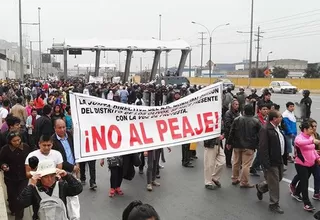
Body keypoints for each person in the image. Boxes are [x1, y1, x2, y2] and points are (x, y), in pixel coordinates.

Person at [18, 159, 83, 218]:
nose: (50, 179)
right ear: (40, 177)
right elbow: (21, 203)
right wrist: (31, 185)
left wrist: (67, 176)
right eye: (46, 176)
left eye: (52, 175)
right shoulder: (34, 189)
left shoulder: (62, 186)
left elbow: (78, 189)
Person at [256, 110, 286, 214]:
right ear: (274, 119)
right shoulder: (265, 129)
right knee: (274, 183)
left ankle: (261, 187)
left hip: (279, 159)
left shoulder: (278, 128)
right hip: (271, 161)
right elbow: (263, 147)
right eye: (280, 117)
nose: (281, 118)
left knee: (278, 178)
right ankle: (274, 204)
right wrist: (266, 163)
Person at [226, 104, 260, 188]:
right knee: (246, 165)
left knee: (236, 162)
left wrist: (229, 142)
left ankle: (234, 178)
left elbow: (232, 132)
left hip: (237, 144)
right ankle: (244, 182)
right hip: (249, 146)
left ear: (243, 111)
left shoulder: (237, 119)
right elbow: (260, 134)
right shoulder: (256, 121)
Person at [0, 131, 31, 219]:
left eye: (18, 140)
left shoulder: (26, 147)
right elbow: (1, 161)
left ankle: (19, 216)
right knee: (12, 196)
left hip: (23, 177)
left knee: (21, 197)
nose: (17, 142)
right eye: (14, 141)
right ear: (10, 141)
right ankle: (13, 208)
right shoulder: (5, 149)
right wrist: (3, 166)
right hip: (10, 177)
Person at [293, 121, 320, 211]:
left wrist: (318, 158)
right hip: (301, 164)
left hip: (311, 163)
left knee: (306, 179)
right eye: (310, 129)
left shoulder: (310, 136)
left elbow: (312, 150)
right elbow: (300, 143)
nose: (312, 130)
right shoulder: (299, 138)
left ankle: (296, 192)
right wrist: (312, 140)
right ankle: (307, 203)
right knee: (305, 183)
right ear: (305, 129)